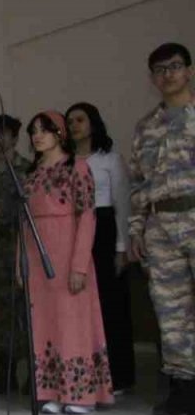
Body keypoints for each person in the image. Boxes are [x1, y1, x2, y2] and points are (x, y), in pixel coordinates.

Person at [23, 112, 113, 414]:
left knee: (72, 320)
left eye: (44, 130)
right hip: (36, 256)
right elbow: (24, 223)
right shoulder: (31, 174)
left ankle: (80, 394)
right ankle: (50, 391)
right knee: (44, 321)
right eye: (33, 131)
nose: (37, 136)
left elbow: (88, 216)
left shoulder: (78, 167)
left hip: (68, 252)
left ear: (59, 133)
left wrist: (78, 266)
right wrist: (19, 263)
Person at [128, 43, 195, 415]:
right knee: (171, 315)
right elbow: (138, 182)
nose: (167, 74)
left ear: (189, 70)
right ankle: (184, 389)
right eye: (159, 69)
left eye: (174, 67)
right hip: (161, 228)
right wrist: (137, 229)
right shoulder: (146, 127)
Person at [67, 102, 135, 396]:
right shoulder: (65, 161)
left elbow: (123, 205)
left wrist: (122, 247)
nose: (74, 125)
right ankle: (86, 375)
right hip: (74, 233)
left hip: (105, 231)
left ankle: (119, 376)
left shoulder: (110, 159)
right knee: (79, 307)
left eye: (80, 120)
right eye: (69, 121)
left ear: (93, 124)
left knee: (112, 306)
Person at [0, 115, 31, 396]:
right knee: (2, 314)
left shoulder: (26, 169)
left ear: (14, 137)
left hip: (21, 248)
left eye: (4, 133)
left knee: (27, 312)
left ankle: (33, 375)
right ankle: (6, 373)